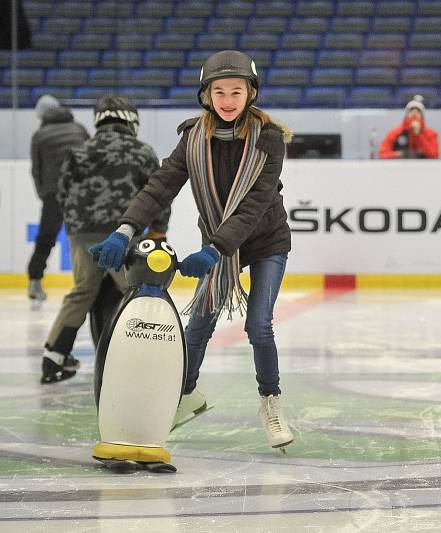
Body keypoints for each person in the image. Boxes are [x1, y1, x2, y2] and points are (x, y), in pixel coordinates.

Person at [89, 50, 295, 449]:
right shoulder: (193, 138)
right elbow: (160, 186)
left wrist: (215, 249)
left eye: (237, 91)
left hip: (266, 240)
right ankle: (183, 397)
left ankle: (270, 402)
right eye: (220, 91)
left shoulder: (270, 140)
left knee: (259, 325)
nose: (228, 100)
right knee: (198, 324)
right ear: (207, 96)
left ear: (251, 93)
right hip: (217, 242)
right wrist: (124, 229)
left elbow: (253, 205)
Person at [41, 95, 168, 384]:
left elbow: (61, 192)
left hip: (81, 234)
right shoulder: (141, 151)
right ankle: (132, 357)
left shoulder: (79, 150)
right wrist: (159, 230)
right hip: (122, 234)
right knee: (132, 292)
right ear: (131, 121)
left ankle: (54, 357)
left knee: (82, 291)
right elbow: (159, 194)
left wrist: (78, 224)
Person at [28, 95, 89, 302]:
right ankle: (90, 281)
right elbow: (91, 158)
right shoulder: (78, 128)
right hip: (81, 191)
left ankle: (35, 281)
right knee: (86, 237)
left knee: (45, 238)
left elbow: (36, 169)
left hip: (53, 193)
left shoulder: (39, 135)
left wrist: (43, 194)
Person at [379, 95, 439, 159]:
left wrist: (418, 135)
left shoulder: (431, 134)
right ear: (407, 116)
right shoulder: (395, 133)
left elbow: (433, 155)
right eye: (411, 112)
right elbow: (383, 154)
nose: (414, 114)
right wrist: (398, 154)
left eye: (418, 112)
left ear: (422, 116)